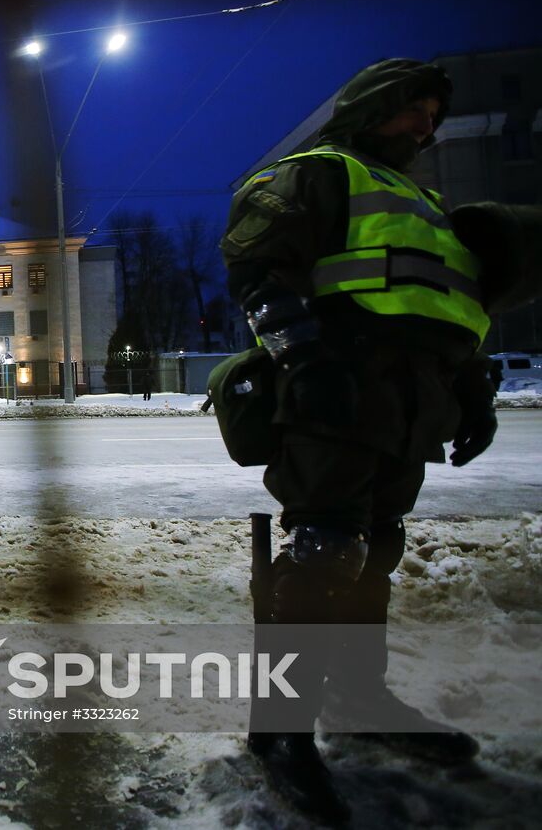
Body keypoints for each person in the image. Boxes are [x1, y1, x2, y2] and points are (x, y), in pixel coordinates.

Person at [221, 60, 503, 824]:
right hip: (338, 387)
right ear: (373, 106)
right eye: (414, 108)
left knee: (377, 546)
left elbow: (448, 298)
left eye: (435, 115)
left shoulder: (427, 199)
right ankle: (279, 731)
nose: (426, 125)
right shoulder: (319, 173)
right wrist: (303, 357)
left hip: (412, 399)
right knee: (324, 551)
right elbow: (257, 263)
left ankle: (356, 692)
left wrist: (472, 388)